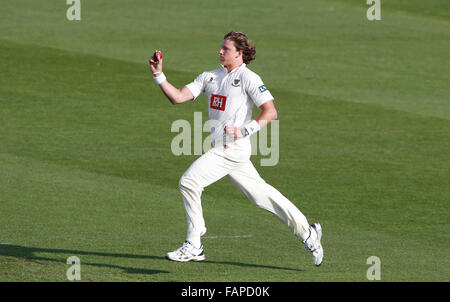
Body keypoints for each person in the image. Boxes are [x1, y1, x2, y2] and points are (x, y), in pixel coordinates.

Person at [149, 31, 323, 266]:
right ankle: (308, 233)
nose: (220, 51)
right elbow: (178, 97)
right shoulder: (209, 76)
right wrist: (159, 74)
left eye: (226, 49)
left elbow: (270, 112)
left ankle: (194, 244)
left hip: (234, 147)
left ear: (239, 53)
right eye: (221, 48)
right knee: (262, 196)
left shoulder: (250, 78)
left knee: (189, 182)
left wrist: (245, 130)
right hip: (224, 149)